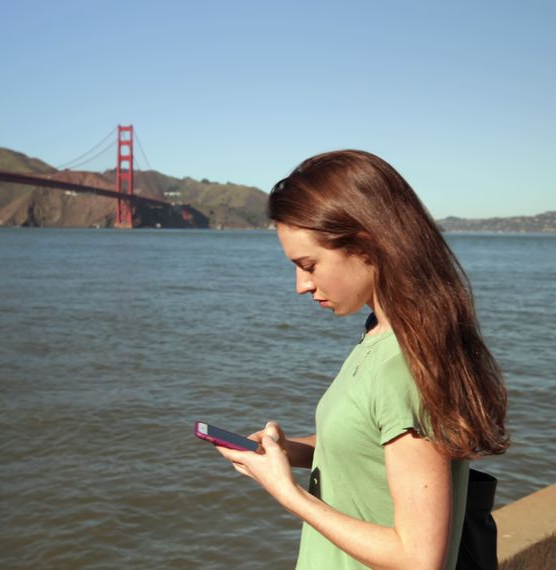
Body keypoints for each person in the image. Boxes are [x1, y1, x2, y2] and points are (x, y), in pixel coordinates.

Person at [215, 150, 509, 570]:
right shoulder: (381, 336)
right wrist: (286, 452)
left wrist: (289, 494)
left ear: (365, 244)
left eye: (308, 265)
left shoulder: (403, 366)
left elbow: (419, 558)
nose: (301, 285)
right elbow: (371, 443)